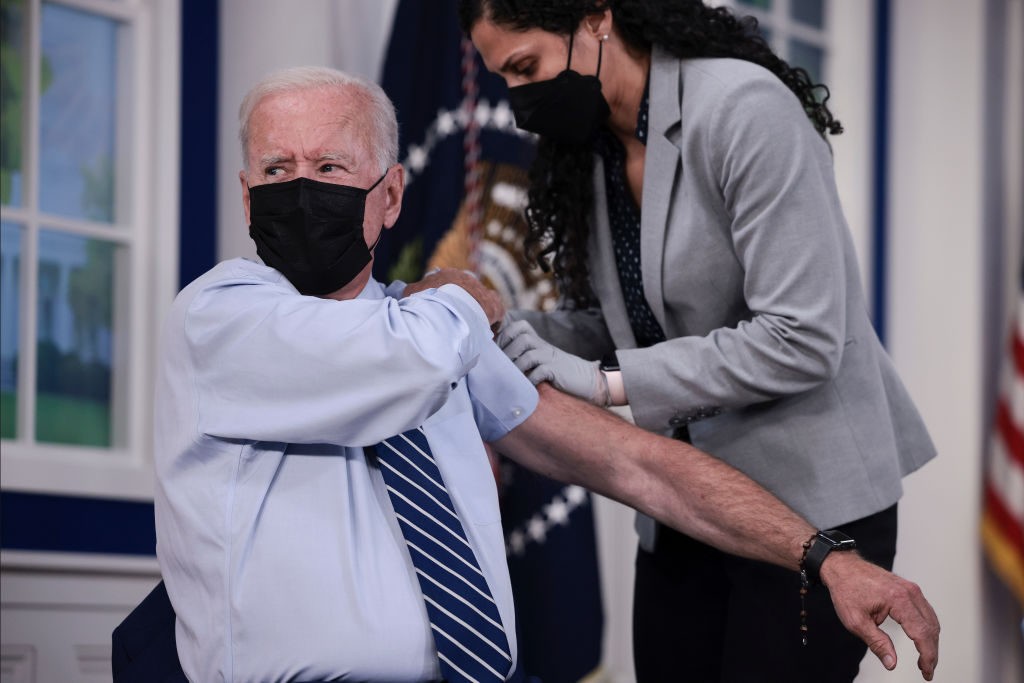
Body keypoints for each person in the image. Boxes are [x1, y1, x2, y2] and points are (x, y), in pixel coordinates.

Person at [146, 65, 939, 683]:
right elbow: (400, 359)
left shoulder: (423, 329)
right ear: (247, 201)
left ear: (391, 196)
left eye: (327, 164)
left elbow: (640, 466)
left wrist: (825, 556)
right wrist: (462, 299)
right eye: (276, 170)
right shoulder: (222, 317)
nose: (300, 188)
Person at [459, 0, 939, 681]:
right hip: (688, 508)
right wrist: (489, 323)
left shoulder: (744, 109)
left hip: (812, 499)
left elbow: (801, 337)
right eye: (502, 77)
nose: (517, 96)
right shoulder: (590, 145)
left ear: (596, 18)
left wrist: (603, 383)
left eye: (526, 66)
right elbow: (616, 326)